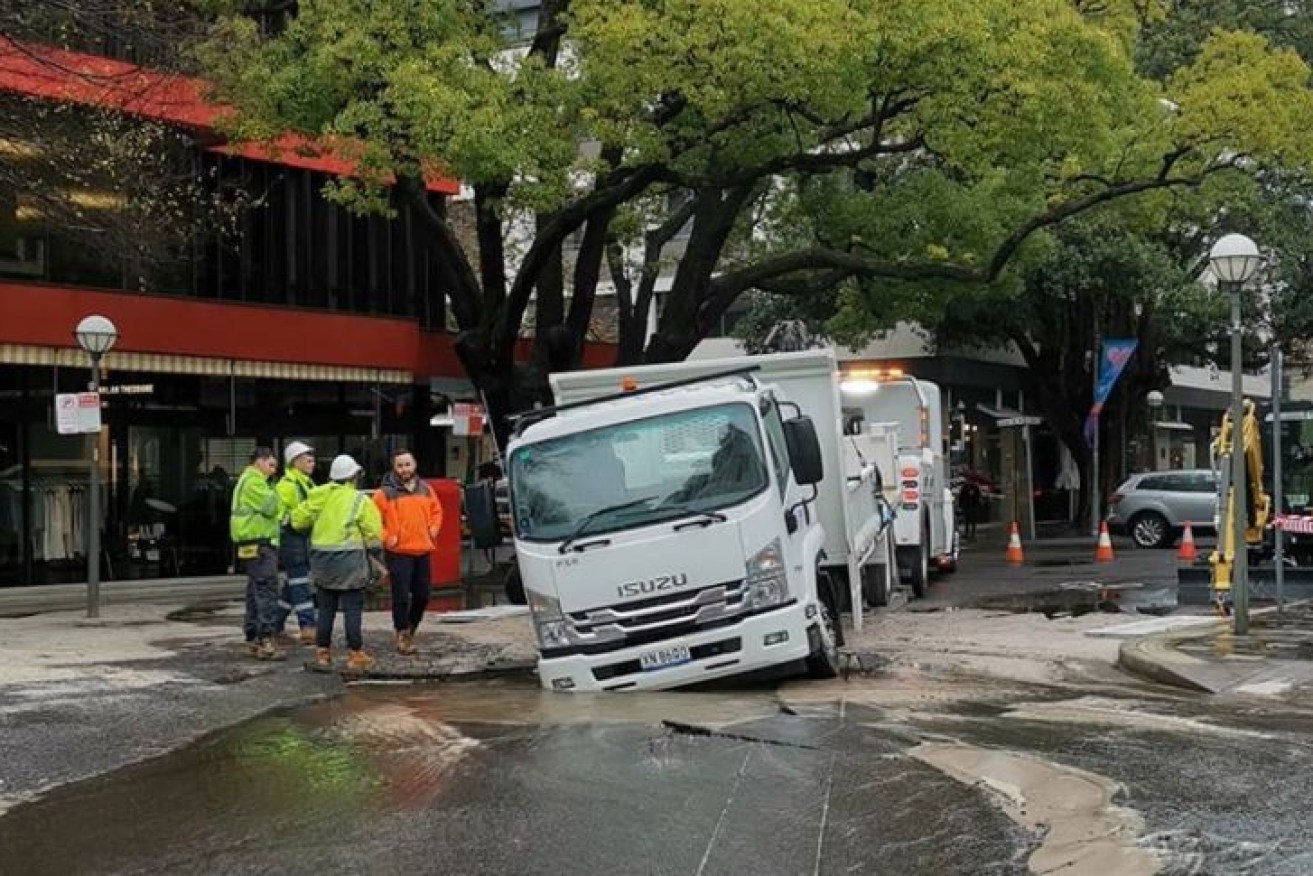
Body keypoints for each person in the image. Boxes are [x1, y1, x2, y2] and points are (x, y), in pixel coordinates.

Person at [292, 454, 383, 673]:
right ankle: (355, 655)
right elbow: (373, 534)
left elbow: (297, 520)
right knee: (352, 609)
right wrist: (375, 553)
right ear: (353, 477)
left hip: (322, 561)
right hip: (350, 562)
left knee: (325, 609)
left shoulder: (318, 495)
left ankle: (323, 654)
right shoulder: (359, 500)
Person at [372, 449, 442, 656]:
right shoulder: (383, 493)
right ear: (394, 468)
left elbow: (437, 512)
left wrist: (433, 531)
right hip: (399, 552)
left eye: (407, 464)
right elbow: (372, 519)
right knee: (400, 596)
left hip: (422, 549)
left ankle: (411, 627)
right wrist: (386, 537)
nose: (404, 469)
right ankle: (402, 633)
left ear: (415, 465)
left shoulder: (426, 489)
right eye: (400, 465)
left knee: (423, 595)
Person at [230, 447, 282, 660]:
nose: (274, 469)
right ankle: (265, 638)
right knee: (266, 590)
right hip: (260, 543)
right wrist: (276, 494)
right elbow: (271, 507)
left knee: (255, 590)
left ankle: (253, 637)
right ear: (259, 461)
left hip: (252, 542)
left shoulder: (247, 480)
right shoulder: (254, 482)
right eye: (271, 464)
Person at [274, 441, 317, 644]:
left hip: (304, 539)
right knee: (300, 584)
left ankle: (274, 624)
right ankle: (307, 626)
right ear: (294, 461)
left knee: (293, 585)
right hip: (292, 539)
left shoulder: (308, 483)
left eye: (312, 458)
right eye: (306, 458)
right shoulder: (287, 486)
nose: (312, 461)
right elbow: (280, 516)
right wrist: (298, 518)